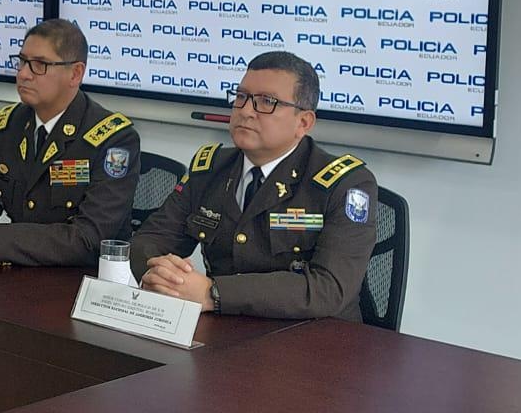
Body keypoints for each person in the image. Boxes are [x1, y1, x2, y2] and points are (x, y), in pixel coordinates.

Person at [129, 51, 378, 321]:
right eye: (241, 97)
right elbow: (148, 240)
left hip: (313, 336)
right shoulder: (210, 169)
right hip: (224, 328)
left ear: (303, 122)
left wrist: (214, 293)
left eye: (267, 102)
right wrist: (161, 275)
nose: (246, 111)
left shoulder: (345, 184)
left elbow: (328, 289)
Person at [0, 19, 141, 266]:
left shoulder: (114, 139)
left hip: (80, 276)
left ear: (75, 73)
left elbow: (88, 237)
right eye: (22, 61)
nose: (23, 74)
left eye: (39, 65)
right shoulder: (9, 125)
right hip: (19, 268)